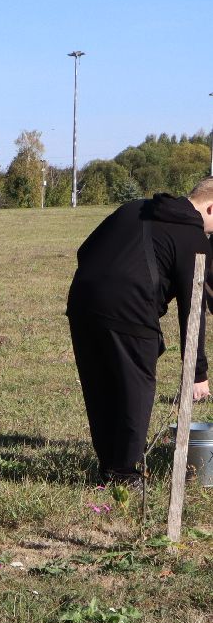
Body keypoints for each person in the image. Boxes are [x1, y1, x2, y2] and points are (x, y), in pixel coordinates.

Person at [67, 181, 213, 484]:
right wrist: (197, 373)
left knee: (101, 387)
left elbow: (85, 249)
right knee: (135, 391)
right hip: (131, 310)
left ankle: (110, 466)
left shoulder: (134, 207)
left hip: (83, 302)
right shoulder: (193, 237)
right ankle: (122, 474)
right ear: (211, 208)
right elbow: (193, 307)